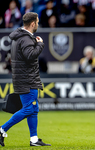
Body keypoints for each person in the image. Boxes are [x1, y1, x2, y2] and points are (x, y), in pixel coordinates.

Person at [0, 12, 51, 147]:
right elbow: (30, 56)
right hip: (27, 79)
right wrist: (40, 44)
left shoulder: (19, 37)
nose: (38, 24)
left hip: (23, 78)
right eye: (38, 22)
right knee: (29, 109)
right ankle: (1, 129)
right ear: (33, 23)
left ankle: (34, 140)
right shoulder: (26, 39)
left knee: (34, 109)